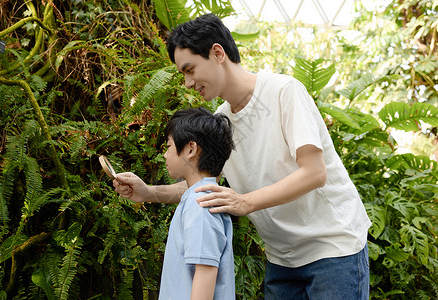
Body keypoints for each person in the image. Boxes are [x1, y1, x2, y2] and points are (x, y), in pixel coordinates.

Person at [115, 13, 371, 299]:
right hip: (282, 260)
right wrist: (148, 192)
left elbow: (314, 173)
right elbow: (203, 187)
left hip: (333, 250)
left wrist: (245, 201)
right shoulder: (220, 121)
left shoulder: (283, 92)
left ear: (217, 53)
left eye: (190, 69)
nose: (187, 82)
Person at [160, 107, 235, 300]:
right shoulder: (198, 197)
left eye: (168, 146)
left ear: (191, 149)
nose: (165, 155)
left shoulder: (200, 204)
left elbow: (205, 273)